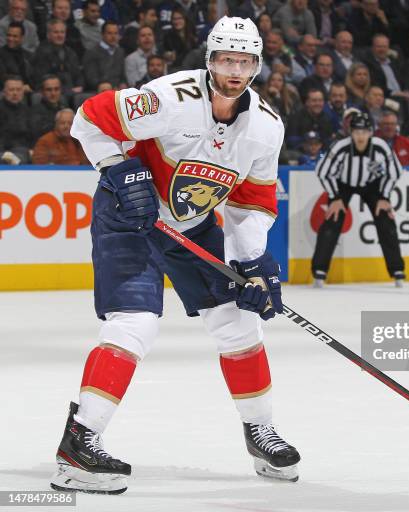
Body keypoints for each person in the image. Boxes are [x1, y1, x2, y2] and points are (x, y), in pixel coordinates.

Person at [49, 15, 300, 495]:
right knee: (135, 323)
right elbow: (89, 119)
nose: (235, 69)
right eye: (226, 59)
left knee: (239, 323)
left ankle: (260, 431)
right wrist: (121, 170)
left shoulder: (267, 128)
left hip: (195, 224)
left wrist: (254, 262)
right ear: (210, 60)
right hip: (131, 218)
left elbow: (253, 203)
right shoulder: (170, 97)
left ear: (257, 65)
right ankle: (79, 442)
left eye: (245, 60)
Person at [311, 112, 405, 288]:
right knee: (333, 220)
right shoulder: (340, 147)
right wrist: (335, 197)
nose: (360, 136)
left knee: (385, 220)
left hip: (371, 185)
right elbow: (322, 172)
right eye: (356, 132)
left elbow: (395, 172)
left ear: (371, 132)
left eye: (364, 132)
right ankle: (319, 270)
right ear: (350, 132)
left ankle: (397, 270)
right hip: (343, 185)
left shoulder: (381, 146)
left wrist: (384, 197)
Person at [32, 19, 83, 94]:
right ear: (48, 34)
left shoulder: (71, 52)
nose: (60, 35)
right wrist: (67, 90)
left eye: (62, 32)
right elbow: (42, 79)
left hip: (72, 91)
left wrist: (80, 86)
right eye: (56, 32)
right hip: (52, 91)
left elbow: (78, 75)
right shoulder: (41, 53)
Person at [83, 21, 126, 92]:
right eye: (109, 33)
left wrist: (123, 84)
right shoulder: (91, 52)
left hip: (117, 90)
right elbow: (91, 78)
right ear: (102, 34)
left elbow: (122, 76)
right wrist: (108, 86)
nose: (113, 36)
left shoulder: (120, 52)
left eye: (116, 33)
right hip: (99, 90)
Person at [0, 75, 33, 163]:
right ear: (4, 91)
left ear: (23, 92)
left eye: (18, 90)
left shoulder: (27, 111)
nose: (15, 93)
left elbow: (31, 134)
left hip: (21, 150)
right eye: (11, 90)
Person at [30, 75, 67, 141]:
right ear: (42, 92)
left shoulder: (64, 108)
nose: (53, 93)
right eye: (49, 90)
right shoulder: (34, 111)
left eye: (56, 89)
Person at [162, 7, 198, 72]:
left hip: (193, 67)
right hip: (177, 68)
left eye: (179, 18)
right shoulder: (168, 36)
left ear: (185, 19)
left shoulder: (192, 34)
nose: (176, 21)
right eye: (174, 19)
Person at [0, 21, 33, 90]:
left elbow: (34, 77)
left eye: (15, 36)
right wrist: (21, 87)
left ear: (22, 38)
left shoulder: (28, 55)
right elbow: (2, 77)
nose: (10, 39)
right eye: (9, 35)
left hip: (28, 91)